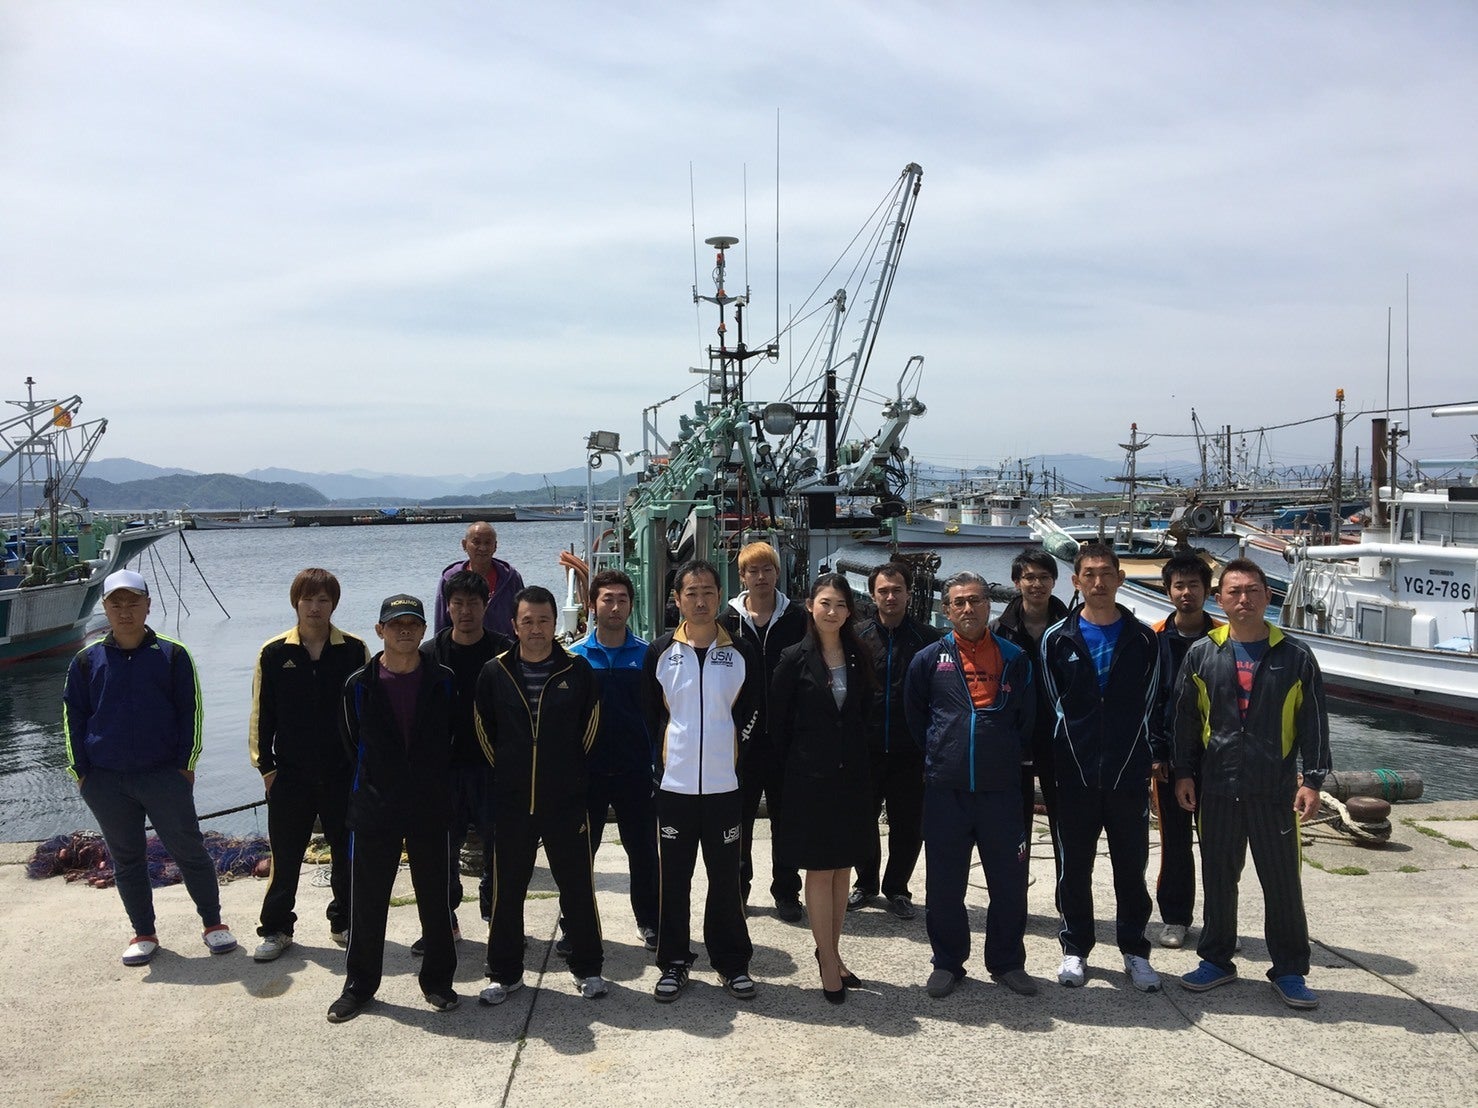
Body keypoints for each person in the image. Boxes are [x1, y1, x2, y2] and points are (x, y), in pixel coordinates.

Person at [1174, 558, 1332, 1010]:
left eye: (1252, 591)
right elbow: (1185, 719)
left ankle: (1289, 970)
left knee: (1282, 883)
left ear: (1267, 596)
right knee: (1219, 878)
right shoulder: (1203, 653)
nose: (1243, 599)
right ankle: (1216, 959)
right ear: (1219, 599)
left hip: (1274, 790)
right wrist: (1183, 772)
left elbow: (1314, 722)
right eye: (1234, 591)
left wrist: (1313, 780)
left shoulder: (1295, 655)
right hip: (1217, 788)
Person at [62, 568, 238, 966]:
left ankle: (213, 924)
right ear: (105, 608)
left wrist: (185, 766)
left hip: (164, 775)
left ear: (148, 606)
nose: (125, 611)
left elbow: (190, 712)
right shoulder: (86, 660)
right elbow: (73, 717)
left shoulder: (172, 654)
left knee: (189, 850)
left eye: (133, 602)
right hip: (105, 780)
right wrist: (82, 773)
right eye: (116, 604)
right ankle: (143, 932)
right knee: (127, 859)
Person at [904, 571, 1038, 999]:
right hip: (947, 790)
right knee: (944, 884)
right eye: (959, 602)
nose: (968, 608)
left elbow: (1027, 719)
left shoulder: (1016, 657)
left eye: (976, 600)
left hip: (1001, 791)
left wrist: (1000, 750)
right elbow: (916, 717)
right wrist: (945, 749)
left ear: (988, 605)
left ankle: (1007, 962)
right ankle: (947, 962)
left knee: (1009, 883)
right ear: (946, 610)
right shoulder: (928, 659)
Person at [1039, 542, 1163, 993]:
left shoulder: (1144, 638)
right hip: (1074, 773)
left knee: (1131, 867)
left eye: (1106, 573)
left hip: (1127, 772)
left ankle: (1134, 950)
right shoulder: (1057, 638)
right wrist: (1070, 751)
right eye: (1089, 574)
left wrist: (1142, 755)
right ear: (1076, 581)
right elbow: (1054, 705)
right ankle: (1075, 947)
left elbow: (1151, 702)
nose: (1098, 582)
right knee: (1074, 866)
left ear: (1120, 579)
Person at [329, 594, 458, 1023]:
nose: (405, 630)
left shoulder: (444, 680)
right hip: (375, 805)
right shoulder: (358, 684)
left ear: (423, 630)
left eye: (413, 623)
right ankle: (359, 985)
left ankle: (438, 981)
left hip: (429, 804)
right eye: (396, 623)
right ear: (379, 630)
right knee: (366, 901)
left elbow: (453, 738)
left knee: (435, 900)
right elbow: (351, 743)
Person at [475, 586, 606, 1005]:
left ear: (555, 624)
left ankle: (587, 968)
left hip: (565, 801)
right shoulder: (495, 672)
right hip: (512, 802)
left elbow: (590, 729)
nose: (536, 629)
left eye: (544, 621)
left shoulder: (577, 671)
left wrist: (567, 776)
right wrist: (510, 775)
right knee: (507, 891)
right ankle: (504, 973)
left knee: (577, 887)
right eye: (527, 621)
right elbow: (484, 730)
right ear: (514, 625)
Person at [644, 559, 762, 1003]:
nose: (700, 601)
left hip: (724, 788)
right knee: (673, 880)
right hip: (674, 789)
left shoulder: (741, 652)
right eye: (691, 593)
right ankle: (674, 961)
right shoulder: (660, 652)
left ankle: (731, 963)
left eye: (708, 592)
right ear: (677, 600)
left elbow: (752, 711)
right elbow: (650, 716)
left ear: (720, 596)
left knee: (726, 879)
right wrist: (661, 765)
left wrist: (733, 756)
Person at [249, 567, 370, 961]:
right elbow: (261, 715)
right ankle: (276, 928)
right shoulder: (274, 653)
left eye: (323, 600)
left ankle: (345, 921)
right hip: (290, 775)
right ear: (295, 603)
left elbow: (368, 714)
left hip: (342, 774)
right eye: (307, 599)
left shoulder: (354, 650)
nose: (315, 607)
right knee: (285, 858)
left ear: (334, 604)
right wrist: (266, 768)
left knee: (347, 854)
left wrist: (365, 769)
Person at [769, 574, 877, 1003]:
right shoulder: (792, 658)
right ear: (810, 606)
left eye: (841, 605)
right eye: (825, 603)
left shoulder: (859, 655)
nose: (832, 611)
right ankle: (828, 962)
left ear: (849, 612)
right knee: (819, 869)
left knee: (842, 868)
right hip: (809, 780)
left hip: (851, 778)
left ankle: (831, 951)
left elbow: (862, 714)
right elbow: (778, 725)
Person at [417, 570, 511, 952]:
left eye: (473, 603)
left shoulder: (504, 651)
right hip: (444, 770)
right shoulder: (429, 654)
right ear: (448, 607)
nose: (465, 611)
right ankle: (444, 922)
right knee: (441, 850)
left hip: (493, 768)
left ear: (486, 605)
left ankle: (497, 919)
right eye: (458, 603)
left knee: (499, 849)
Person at [569, 569, 659, 951]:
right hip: (586, 773)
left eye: (622, 599)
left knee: (643, 851)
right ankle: (574, 925)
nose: (615, 606)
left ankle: (650, 921)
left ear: (631, 606)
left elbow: (659, 714)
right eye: (607, 599)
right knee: (578, 855)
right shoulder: (575, 657)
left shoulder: (648, 655)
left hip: (635, 771)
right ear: (592, 605)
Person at [719, 541, 807, 922]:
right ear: (742, 577)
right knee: (739, 820)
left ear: (777, 572)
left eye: (767, 569)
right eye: (752, 571)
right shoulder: (728, 621)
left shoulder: (797, 618)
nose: (760, 577)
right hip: (742, 741)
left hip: (787, 740)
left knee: (787, 819)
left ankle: (787, 891)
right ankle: (738, 889)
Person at [850, 561, 940, 920]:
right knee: (862, 819)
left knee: (908, 824)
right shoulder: (856, 637)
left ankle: (898, 888)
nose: (890, 597)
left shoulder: (927, 639)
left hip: (910, 749)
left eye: (897, 590)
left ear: (908, 593)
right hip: (866, 746)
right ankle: (865, 882)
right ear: (873, 595)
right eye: (883, 591)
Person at [989, 549, 1070, 899]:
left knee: (1066, 826)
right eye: (1029, 577)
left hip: (1061, 739)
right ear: (1016, 582)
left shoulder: (1072, 627)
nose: (1037, 584)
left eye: (1044, 577)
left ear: (1055, 581)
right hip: (1013, 740)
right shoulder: (998, 631)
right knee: (1013, 827)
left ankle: (1068, 900)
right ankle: (1013, 900)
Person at [1149, 553, 1220, 950]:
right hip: (1171, 760)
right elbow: (1149, 701)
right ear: (1168, 590)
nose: (1186, 592)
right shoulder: (1154, 638)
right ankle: (1176, 917)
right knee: (1174, 842)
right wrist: (1156, 754)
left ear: (1207, 591)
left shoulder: (1225, 637)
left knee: (1219, 845)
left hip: (1218, 759)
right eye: (1179, 585)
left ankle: (1220, 920)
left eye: (1194, 585)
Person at [433, 521, 525, 638]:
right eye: (476, 542)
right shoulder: (450, 578)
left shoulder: (511, 578)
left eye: (488, 542)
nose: (482, 548)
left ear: (495, 546)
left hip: (505, 647)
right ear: (464, 544)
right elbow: (441, 622)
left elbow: (523, 618)